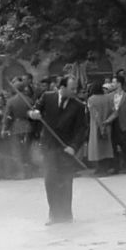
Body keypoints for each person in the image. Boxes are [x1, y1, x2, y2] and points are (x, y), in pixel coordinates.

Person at [29, 76, 87, 225]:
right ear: (62, 87)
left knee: (66, 181)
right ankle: (54, 215)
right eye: (72, 88)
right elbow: (34, 110)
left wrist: (74, 146)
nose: (75, 91)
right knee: (50, 181)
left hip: (66, 149)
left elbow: (81, 130)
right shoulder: (48, 97)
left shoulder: (79, 106)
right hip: (48, 147)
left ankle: (66, 215)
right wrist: (33, 114)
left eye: (76, 88)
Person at [87, 80, 119, 176]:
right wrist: (107, 121)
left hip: (96, 127)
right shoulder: (108, 98)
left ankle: (99, 169)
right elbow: (115, 112)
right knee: (107, 147)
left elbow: (94, 114)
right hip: (108, 126)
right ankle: (107, 167)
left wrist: (100, 126)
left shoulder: (91, 99)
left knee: (97, 148)